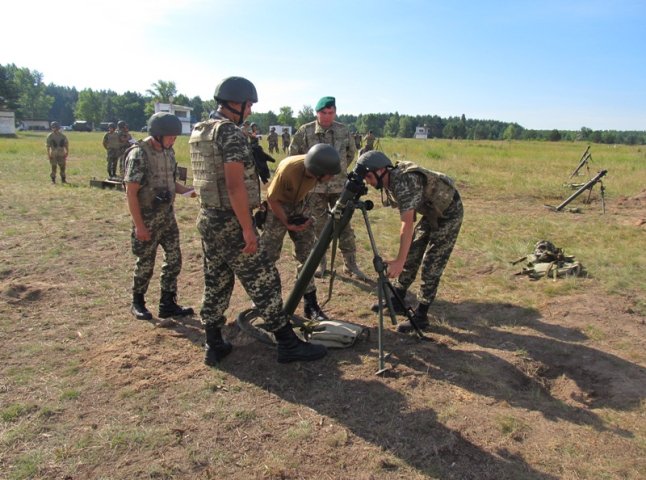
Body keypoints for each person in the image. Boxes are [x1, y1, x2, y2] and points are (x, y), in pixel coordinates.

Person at [189, 75, 327, 365]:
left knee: (216, 280)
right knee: (265, 279)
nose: (250, 110)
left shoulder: (200, 131)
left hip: (208, 219)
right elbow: (234, 185)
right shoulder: (229, 133)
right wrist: (247, 228)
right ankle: (287, 343)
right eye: (249, 104)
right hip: (231, 221)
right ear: (235, 103)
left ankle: (213, 343)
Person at [357, 151, 463, 333]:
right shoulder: (390, 181)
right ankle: (398, 299)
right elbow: (410, 221)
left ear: (382, 170)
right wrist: (403, 259)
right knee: (412, 252)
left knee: (432, 263)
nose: (367, 181)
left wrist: (399, 261)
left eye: (368, 176)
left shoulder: (404, 182)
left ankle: (421, 315)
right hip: (431, 212)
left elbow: (406, 224)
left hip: (449, 213)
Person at [124, 112, 195, 322]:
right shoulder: (139, 154)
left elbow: (173, 183)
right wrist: (140, 226)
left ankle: (168, 303)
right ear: (157, 134)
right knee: (146, 262)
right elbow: (131, 192)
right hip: (147, 219)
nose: (173, 140)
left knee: (174, 259)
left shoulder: (168, 152)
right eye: (171, 136)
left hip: (167, 217)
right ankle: (138, 302)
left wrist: (188, 191)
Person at [289, 96, 369, 281]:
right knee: (319, 226)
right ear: (317, 113)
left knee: (344, 226)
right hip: (314, 189)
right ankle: (320, 263)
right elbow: (293, 156)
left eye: (331, 112)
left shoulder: (343, 130)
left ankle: (350, 265)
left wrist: (338, 172)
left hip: (340, 188)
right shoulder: (305, 131)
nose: (327, 116)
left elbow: (350, 153)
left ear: (335, 112)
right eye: (323, 113)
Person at [261, 144, 341, 321]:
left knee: (308, 256)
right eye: (329, 173)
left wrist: (304, 217)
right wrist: (286, 222)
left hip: (300, 203)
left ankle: (310, 304)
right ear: (318, 170)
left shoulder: (317, 167)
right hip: (278, 206)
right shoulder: (289, 170)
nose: (332, 177)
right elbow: (271, 198)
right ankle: (266, 301)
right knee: (268, 255)